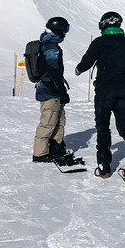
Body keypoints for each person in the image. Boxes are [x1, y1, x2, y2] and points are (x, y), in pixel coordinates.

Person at [75, 11, 125, 179]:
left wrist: (78, 69)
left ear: (103, 24)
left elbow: (85, 63)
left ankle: (104, 166)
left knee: (103, 127)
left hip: (104, 91)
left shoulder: (99, 42)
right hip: (124, 90)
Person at [32, 17, 79, 165]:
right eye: (65, 30)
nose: (65, 34)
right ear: (59, 30)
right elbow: (53, 73)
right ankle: (40, 153)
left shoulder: (47, 43)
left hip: (50, 90)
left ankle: (56, 146)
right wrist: (62, 91)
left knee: (59, 120)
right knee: (48, 122)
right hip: (49, 91)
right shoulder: (51, 48)